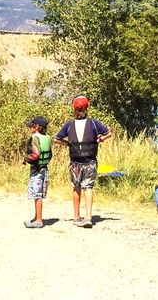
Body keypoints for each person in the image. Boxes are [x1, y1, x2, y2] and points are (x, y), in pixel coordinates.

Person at [54, 96, 112, 228]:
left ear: (74, 109)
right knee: (88, 187)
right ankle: (88, 217)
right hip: (90, 161)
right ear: (87, 108)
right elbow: (109, 133)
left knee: (76, 187)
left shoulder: (69, 125)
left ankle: (76, 217)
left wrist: (68, 143)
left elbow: (56, 139)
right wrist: (100, 139)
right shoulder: (93, 123)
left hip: (75, 162)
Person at [23, 115, 53, 229]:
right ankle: (36, 217)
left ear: (37, 127)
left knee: (37, 195)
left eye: (32, 126)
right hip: (44, 168)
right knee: (39, 194)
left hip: (37, 170)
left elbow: (36, 154)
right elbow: (50, 155)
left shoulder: (35, 138)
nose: (30, 128)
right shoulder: (48, 137)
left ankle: (39, 220)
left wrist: (26, 159)